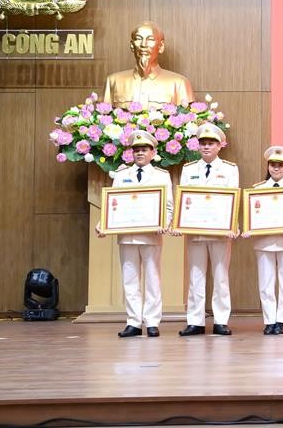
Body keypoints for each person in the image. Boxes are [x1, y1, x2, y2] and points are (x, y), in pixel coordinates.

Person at [96, 130, 173, 338]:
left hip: (151, 235)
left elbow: (168, 207)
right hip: (127, 235)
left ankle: (152, 322)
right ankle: (133, 322)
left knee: (152, 279)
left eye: (144, 149)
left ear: (153, 152)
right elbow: (112, 204)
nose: (140, 153)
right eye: (136, 149)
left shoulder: (161, 176)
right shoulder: (121, 175)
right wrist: (103, 224)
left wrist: (164, 223)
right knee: (129, 280)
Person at [176, 123, 239, 337]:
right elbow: (183, 200)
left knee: (220, 276)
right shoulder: (189, 169)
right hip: (195, 231)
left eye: (211, 143)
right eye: (203, 143)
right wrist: (180, 223)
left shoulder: (230, 169)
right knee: (195, 276)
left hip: (221, 232)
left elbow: (233, 200)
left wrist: (232, 224)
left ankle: (221, 320)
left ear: (220, 146)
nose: (206, 147)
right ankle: (195, 321)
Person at [244, 146, 283, 335]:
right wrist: (248, 227)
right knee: (266, 283)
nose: (276, 168)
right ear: (268, 166)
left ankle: (281, 320)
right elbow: (252, 215)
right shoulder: (257, 190)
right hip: (264, 242)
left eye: (280, 165)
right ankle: (269, 320)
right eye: (273, 164)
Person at [103, 21, 193, 108]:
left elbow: (187, 115)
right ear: (132, 45)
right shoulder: (113, 81)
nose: (143, 45)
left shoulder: (179, 83)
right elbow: (103, 115)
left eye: (150, 39)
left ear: (161, 46)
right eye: (138, 38)